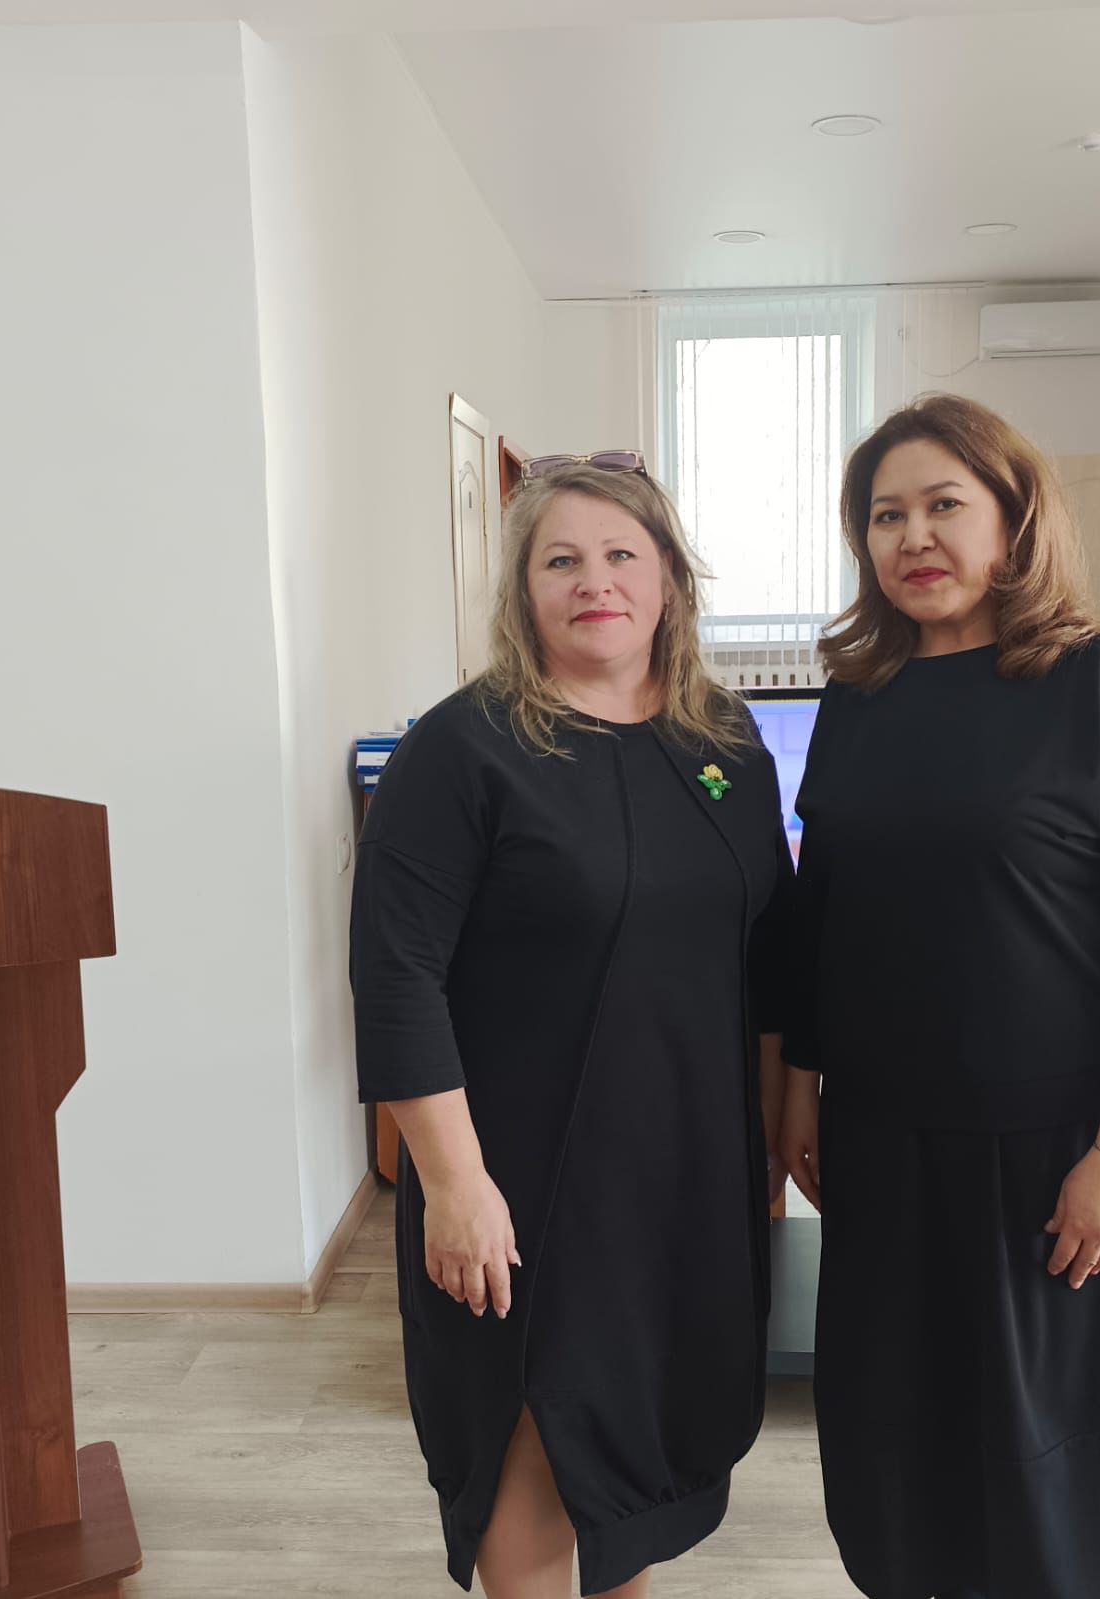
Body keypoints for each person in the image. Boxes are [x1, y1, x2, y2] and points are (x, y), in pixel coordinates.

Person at [779, 394, 1100, 1599]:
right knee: (900, 1453)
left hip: (1053, 1153)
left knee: (1052, 1485)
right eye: (885, 516)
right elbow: (822, 912)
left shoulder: (1098, 684)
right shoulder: (856, 696)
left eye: (944, 505)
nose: (913, 536)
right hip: (884, 1144)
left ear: (1015, 520)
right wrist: (800, 1085)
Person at [350, 452, 793, 1599]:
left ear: (670, 580)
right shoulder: (464, 749)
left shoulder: (723, 744)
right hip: (523, 1174)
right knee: (535, 1433)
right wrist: (453, 1183)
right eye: (561, 560)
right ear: (523, 591)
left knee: (633, 1443)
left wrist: (774, 1128)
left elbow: (768, 953)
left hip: (681, 1170)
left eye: (620, 554)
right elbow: (396, 976)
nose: (594, 581)